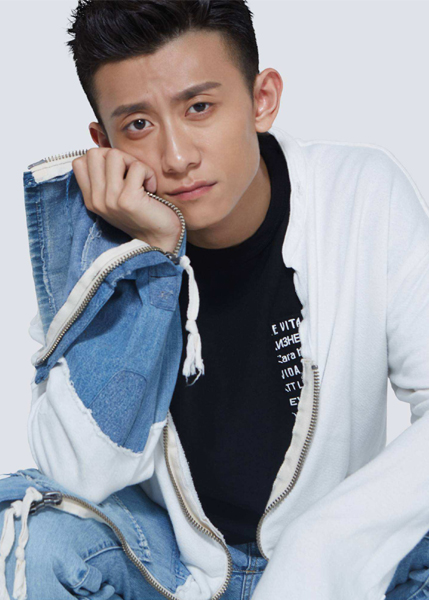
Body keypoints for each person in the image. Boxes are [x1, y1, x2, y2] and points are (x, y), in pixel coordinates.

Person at [1, 1, 428, 599]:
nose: (177, 158)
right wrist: (148, 265)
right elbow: (81, 472)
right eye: (138, 125)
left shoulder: (358, 196)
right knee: (37, 538)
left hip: (333, 576)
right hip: (176, 572)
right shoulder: (99, 250)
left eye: (199, 107)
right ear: (103, 143)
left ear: (262, 99)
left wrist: (321, 547)